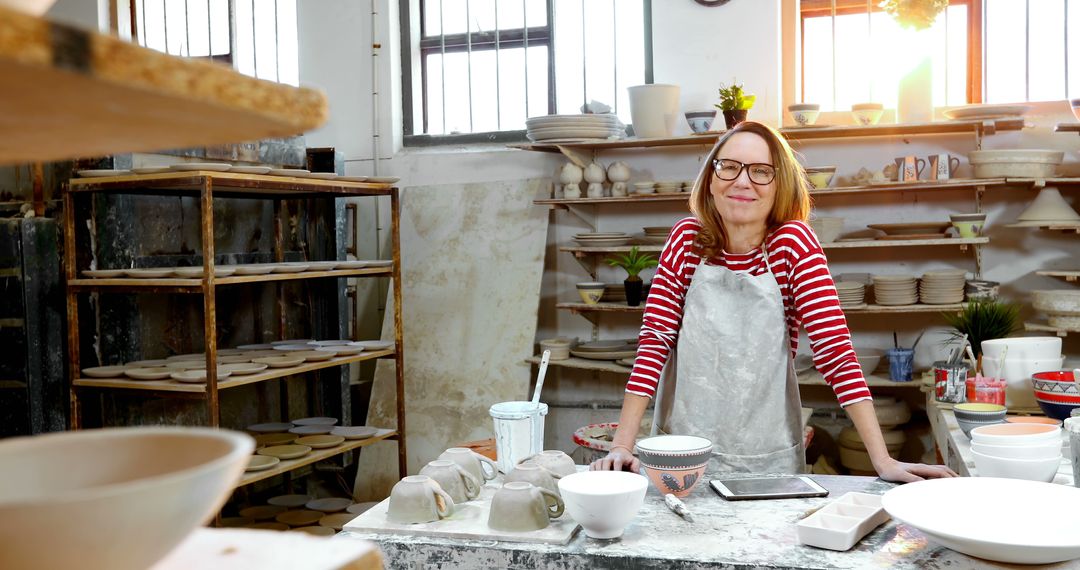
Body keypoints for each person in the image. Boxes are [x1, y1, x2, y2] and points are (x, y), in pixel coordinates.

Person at [590, 121, 956, 483]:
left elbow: (835, 352)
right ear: (711, 180)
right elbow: (655, 340)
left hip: (765, 458)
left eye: (761, 171)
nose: (742, 181)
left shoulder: (791, 244)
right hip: (683, 454)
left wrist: (882, 460)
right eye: (729, 166)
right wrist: (623, 444)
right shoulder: (686, 240)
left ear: (779, 185)